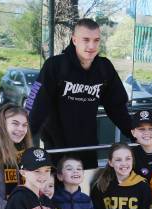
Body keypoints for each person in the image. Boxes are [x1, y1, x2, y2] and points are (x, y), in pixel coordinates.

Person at [27, 18, 132, 169]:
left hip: (87, 148)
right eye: (86, 40)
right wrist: (22, 139)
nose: (91, 46)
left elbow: (117, 107)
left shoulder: (104, 68)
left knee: (84, 190)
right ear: (74, 40)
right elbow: (36, 103)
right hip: (57, 147)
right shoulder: (55, 66)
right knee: (58, 190)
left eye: (96, 40)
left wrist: (135, 132)